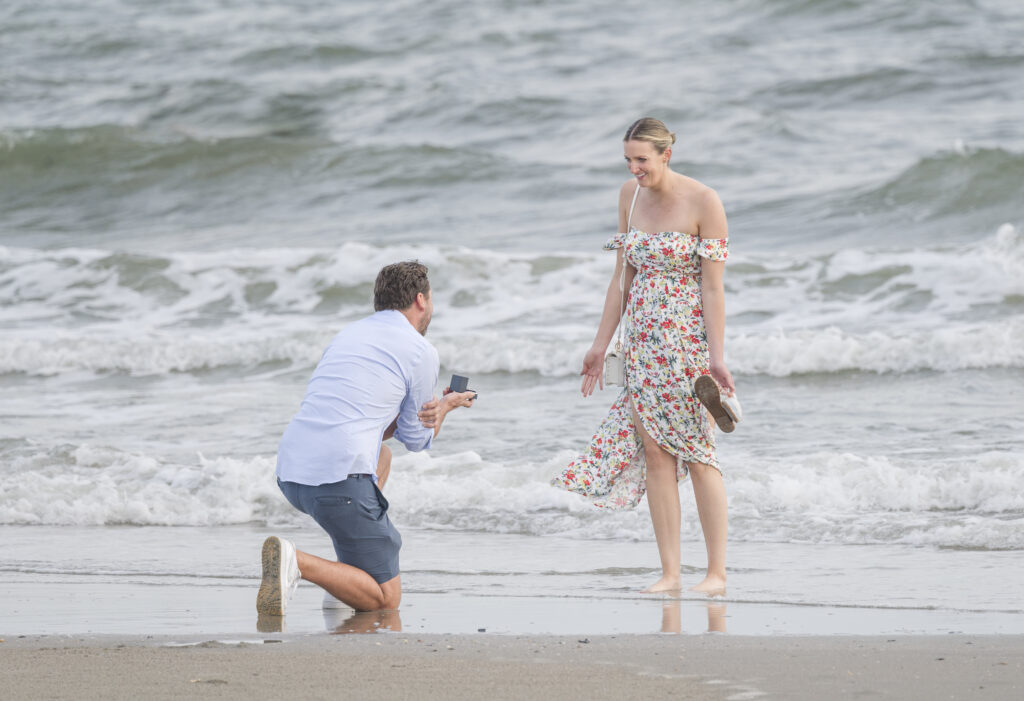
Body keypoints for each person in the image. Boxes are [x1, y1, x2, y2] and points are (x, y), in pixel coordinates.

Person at [552, 117, 736, 595]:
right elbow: (621, 279)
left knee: (697, 452)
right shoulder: (628, 197)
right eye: (629, 160)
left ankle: (715, 574)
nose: (635, 169)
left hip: (686, 343)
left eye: (642, 160)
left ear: (666, 155)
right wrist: (600, 345)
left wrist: (716, 358)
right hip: (641, 345)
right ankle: (671, 573)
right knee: (654, 451)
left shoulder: (704, 200)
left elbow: (713, 288)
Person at [257, 261, 476, 616]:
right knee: (386, 600)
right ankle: (294, 561)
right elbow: (416, 441)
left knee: (382, 457)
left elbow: (371, 421)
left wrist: (437, 407)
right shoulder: (420, 350)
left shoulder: (349, 335)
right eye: (432, 299)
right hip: (336, 481)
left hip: (292, 473)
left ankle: (345, 580)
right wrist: (447, 407)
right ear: (421, 300)